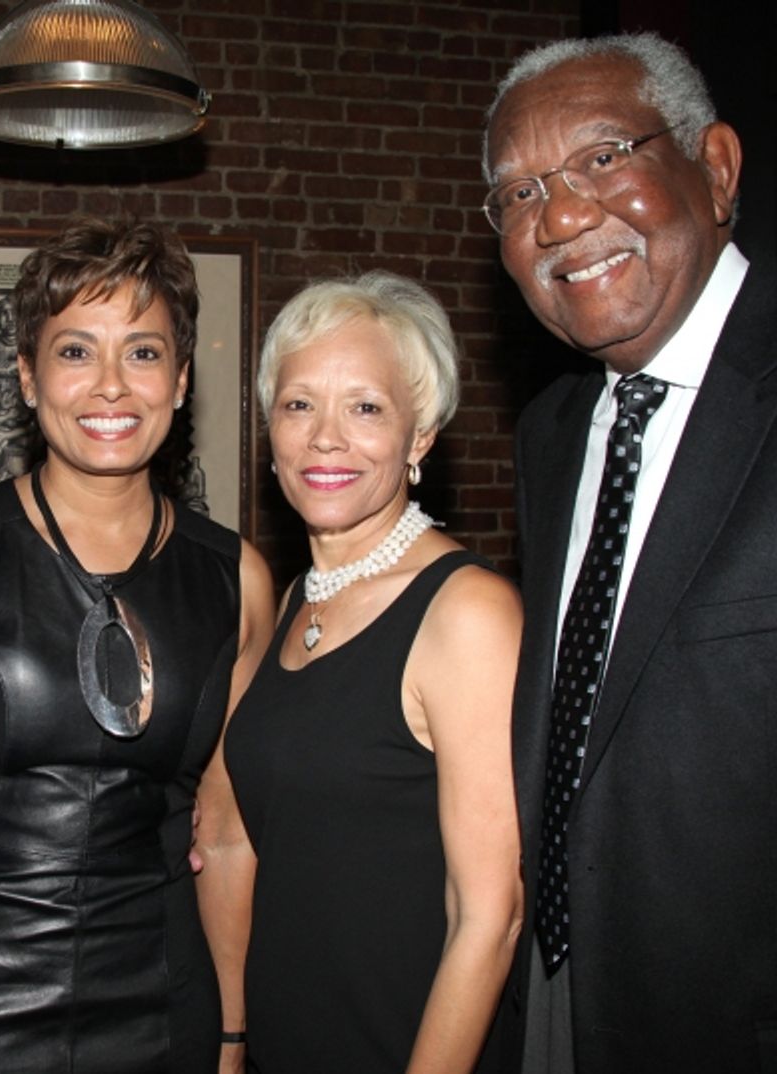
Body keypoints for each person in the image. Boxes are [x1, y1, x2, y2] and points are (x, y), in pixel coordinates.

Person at [0, 217, 275, 1074]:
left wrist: (234, 1031)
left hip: (165, 993)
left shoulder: (236, 579)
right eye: (74, 352)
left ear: (181, 381)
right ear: (27, 377)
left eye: (142, 353)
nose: (111, 387)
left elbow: (230, 828)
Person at [481, 31, 772, 1074]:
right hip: (561, 996)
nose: (559, 216)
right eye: (517, 196)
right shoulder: (555, 433)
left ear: (718, 168)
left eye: (604, 157)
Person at [224, 271, 524, 1073]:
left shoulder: (467, 612)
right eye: (298, 404)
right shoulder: (297, 599)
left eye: (366, 407)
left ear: (419, 436)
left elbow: (489, 915)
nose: (326, 437)